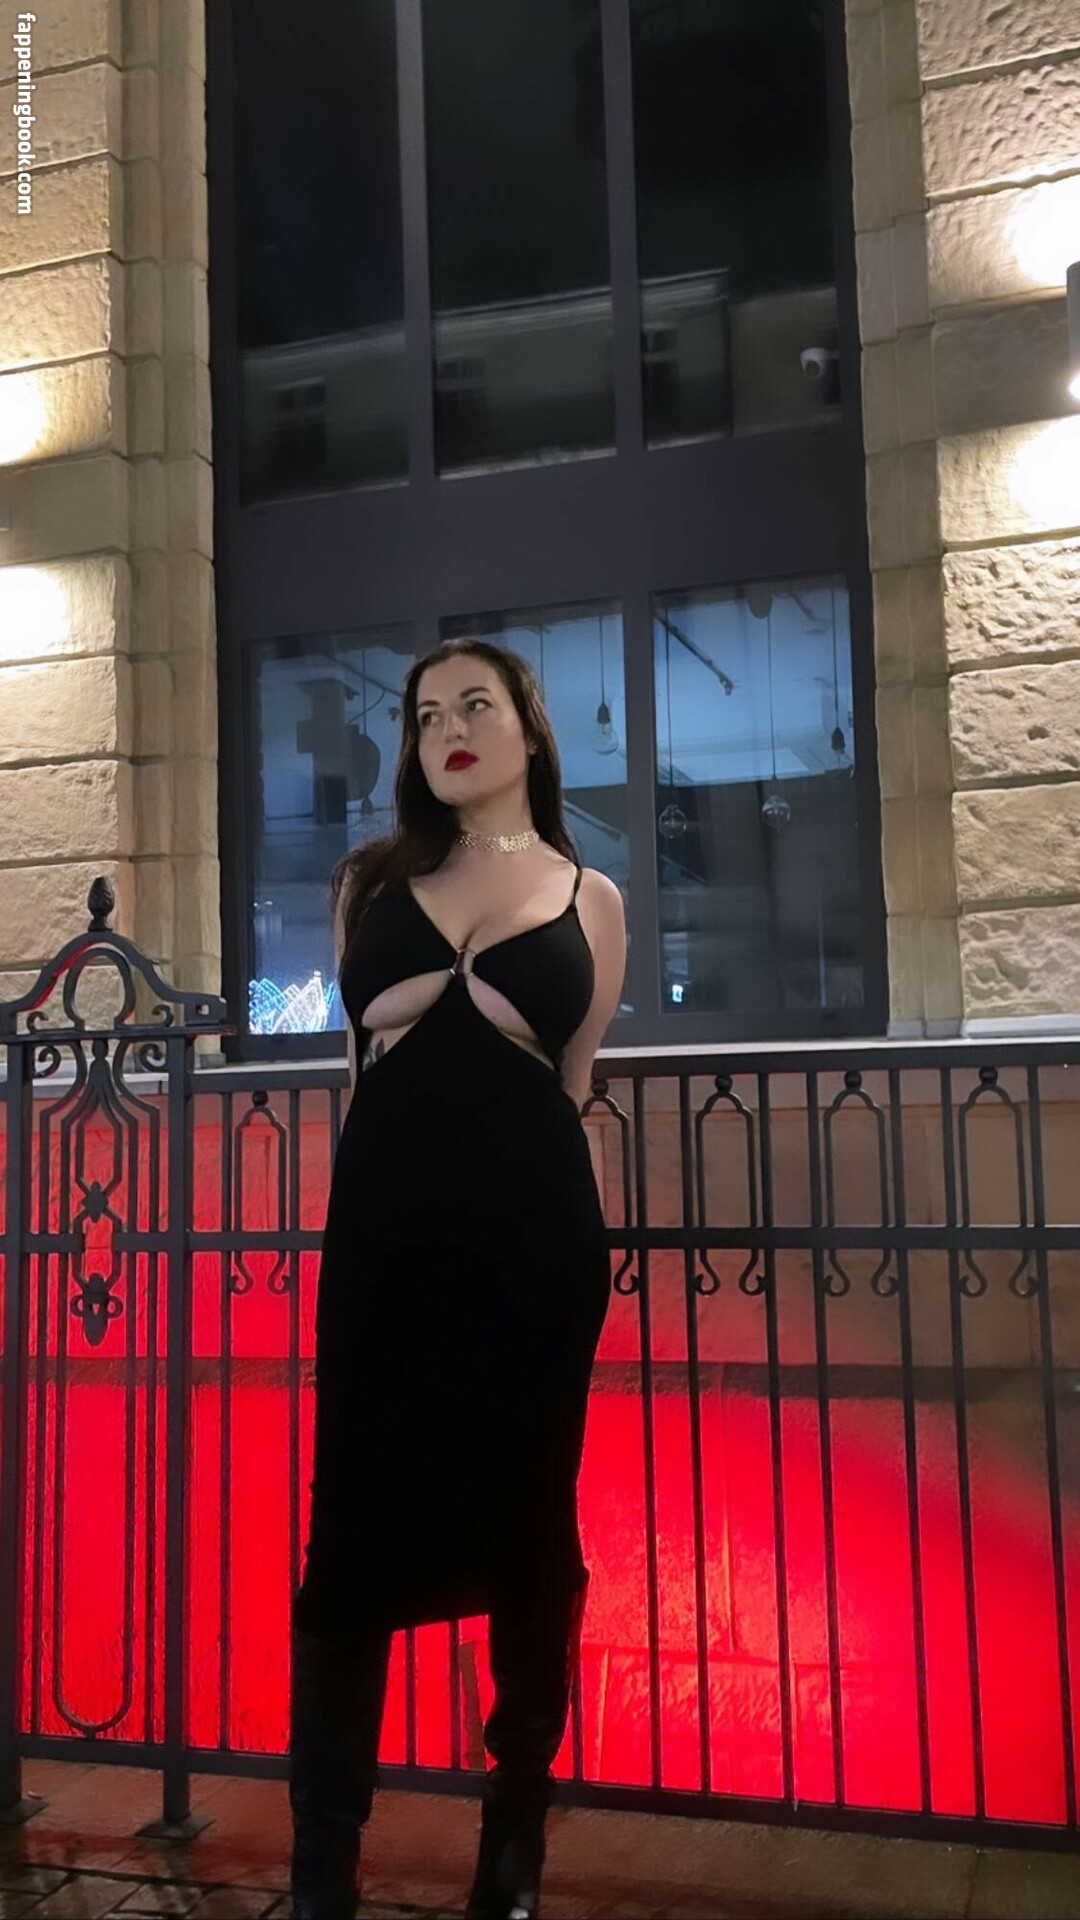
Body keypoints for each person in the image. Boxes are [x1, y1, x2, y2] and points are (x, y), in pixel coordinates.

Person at [288, 637, 627, 1920]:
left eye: (475, 705)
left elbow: (571, 1084)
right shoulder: (371, 884)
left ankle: (514, 1846)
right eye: (427, 716)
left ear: (528, 730)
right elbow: (357, 1074)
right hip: (386, 1249)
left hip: (531, 1255)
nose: (449, 730)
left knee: (531, 1526)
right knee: (349, 1531)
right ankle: (324, 1859)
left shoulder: (591, 899)